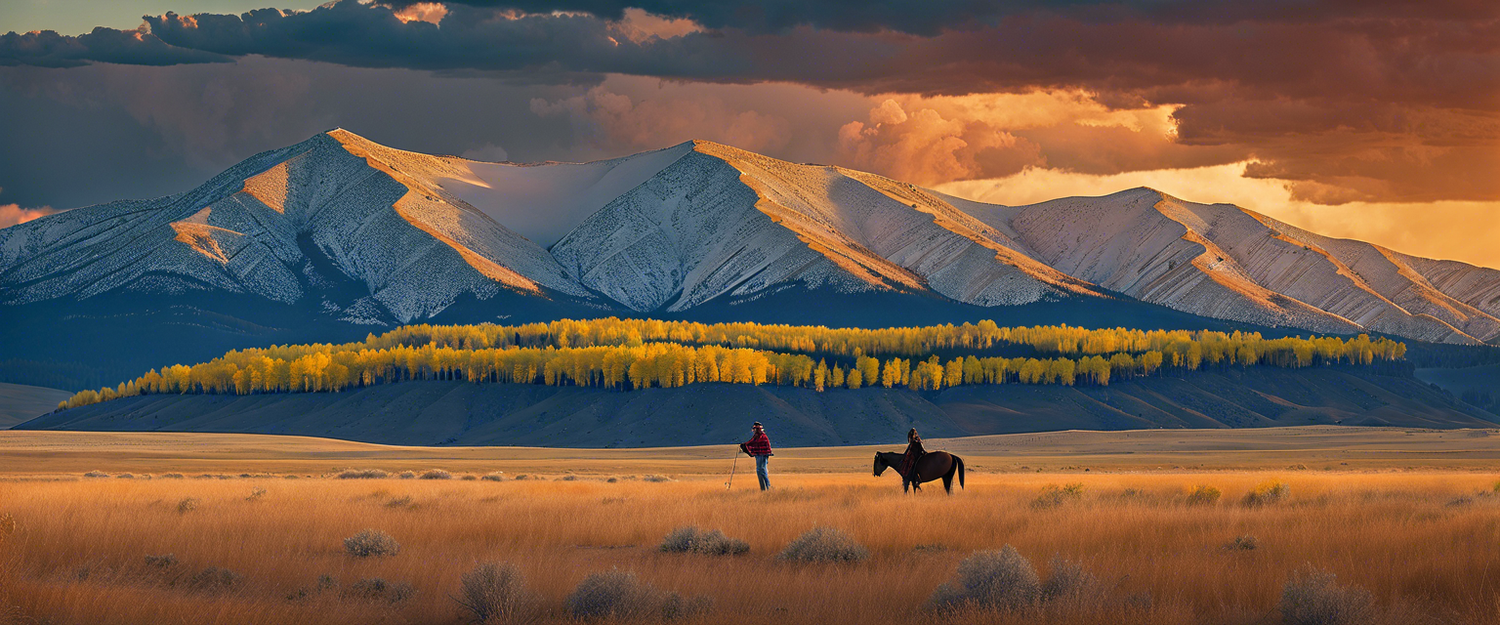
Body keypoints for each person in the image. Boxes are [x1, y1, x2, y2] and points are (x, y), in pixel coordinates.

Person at [740, 422, 774, 491]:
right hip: (758, 455)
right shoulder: (756, 436)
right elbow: (752, 442)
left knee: (761, 470)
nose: (754, 431)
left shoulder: (762, 437)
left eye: (755, 429)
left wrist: (745, 446)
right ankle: (764, 488)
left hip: (763, 455)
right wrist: (744, 445)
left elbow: (754, 443)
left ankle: (767, 488)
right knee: (760, 471)